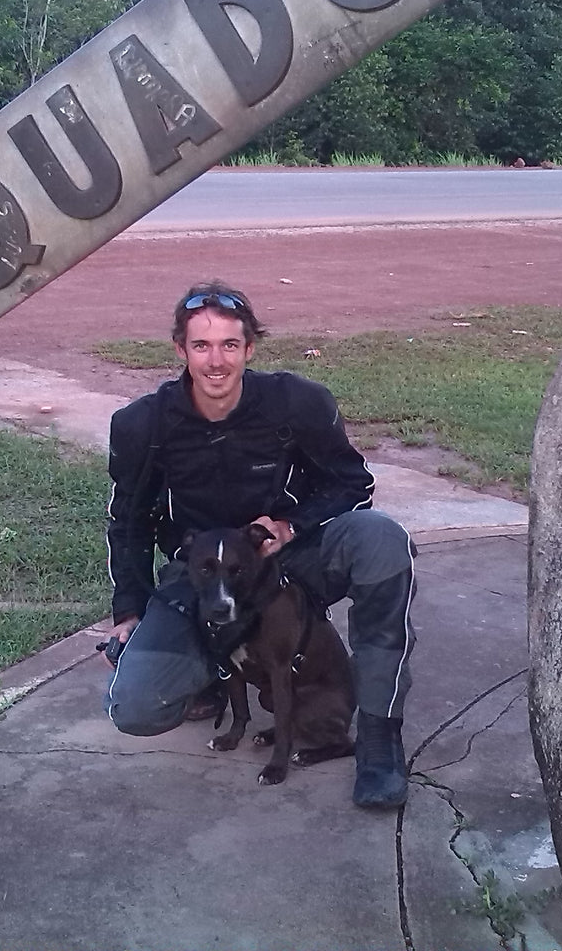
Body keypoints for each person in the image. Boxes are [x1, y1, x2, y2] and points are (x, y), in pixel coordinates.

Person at [102, 281, 416, 809]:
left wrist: (293, 524)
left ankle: (380, 736)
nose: (216, 361)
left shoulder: (296, 402)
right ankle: (209, 668)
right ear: (180, 351)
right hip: (199, 577)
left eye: (230, 345)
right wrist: (128, 610)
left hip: (287, 562)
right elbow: (128, 523)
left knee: (382, 538)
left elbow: (351, 484)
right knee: (136, 708)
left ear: (250, 348)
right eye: (201, 346)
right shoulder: (142, 424)